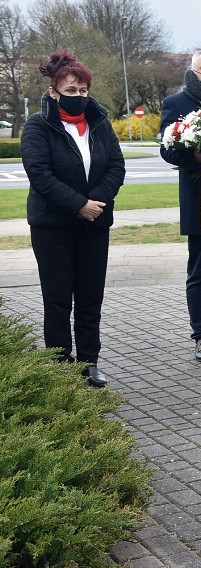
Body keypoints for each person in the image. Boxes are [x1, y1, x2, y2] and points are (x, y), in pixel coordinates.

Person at [21, 50, 125, 388]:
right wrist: (78, 204)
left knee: (90, 296)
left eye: (83, 91)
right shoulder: (38, 125)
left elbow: (116, 166)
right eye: (70, 91)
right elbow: (39, 173)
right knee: (58, 298)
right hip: (53, 226)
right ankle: (59, 364)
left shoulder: (100, 123)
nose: (78, 97)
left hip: (95, 224)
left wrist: (97, 202)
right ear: (53, 92)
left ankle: (89, 361)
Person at [160, 50, 201, 363]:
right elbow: (167, 149)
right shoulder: (176, 103)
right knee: (199, 273)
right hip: (199, 197)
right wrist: (196, 156)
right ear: (193, 71)